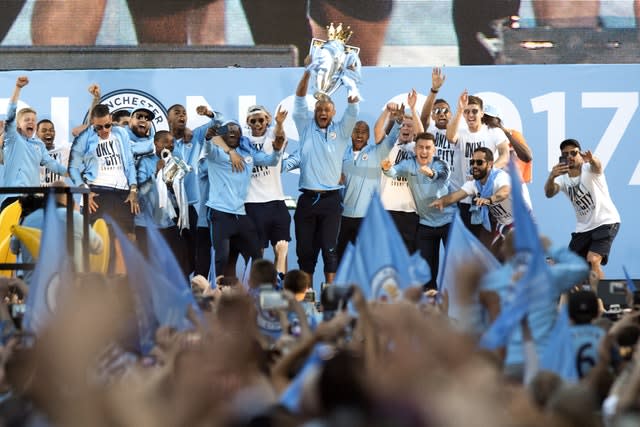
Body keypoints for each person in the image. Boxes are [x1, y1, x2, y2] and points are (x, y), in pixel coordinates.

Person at [292, 70, 359, 285]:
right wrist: (307, 72)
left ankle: (330, 295)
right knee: (305, 252)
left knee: (330, 251)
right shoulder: (305, 128)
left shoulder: (341, 132)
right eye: (319, 109)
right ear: (314, 112)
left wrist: (351, 89)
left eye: (327, 109)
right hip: (307, 200)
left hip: (331, 201)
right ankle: (307, 296)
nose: (322, 112)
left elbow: (352, 109)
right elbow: (300, 98)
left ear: (333, 112)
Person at [204, 120, 284, 276]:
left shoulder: (248, 153)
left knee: (257, 256)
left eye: (236, 130)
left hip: (240, 214)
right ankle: (213, 293)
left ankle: (253, 291)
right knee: (221, 258)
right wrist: (219, 144)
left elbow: (272, 161)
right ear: (222, 135)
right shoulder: (215, 153)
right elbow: (209, 142)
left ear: (241, 134)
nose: (232, 132)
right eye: (228, 130)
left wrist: (276, 150)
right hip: (220, 213)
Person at [68, 103, 139, 272]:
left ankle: (125, 286)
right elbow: (73, 168)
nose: (104, 130)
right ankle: (97, 286)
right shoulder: (83, 139)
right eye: (98, 127)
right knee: (97, 241)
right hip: (98, 193)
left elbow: (129, 162)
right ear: (92, 124)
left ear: (111, 120)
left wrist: (134, 188)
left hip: (123, 193)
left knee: (127, 239)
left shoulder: (121, 133)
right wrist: (85, 190)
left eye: (107, 125)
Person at [382, 132, 454, 290]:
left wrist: (431, 173)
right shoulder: (409, 164)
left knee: (454, 267)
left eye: (428, 148)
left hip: (448, 223)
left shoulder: (441, 164)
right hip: (426, 224)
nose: (424, 151)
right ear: (415, 149)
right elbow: (394, 172)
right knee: (427, 272)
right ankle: (430, 304)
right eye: (420, 147)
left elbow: (442, 175)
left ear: (434, 150)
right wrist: (386, 169)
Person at [544, 138, 621, 279]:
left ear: (581, 155)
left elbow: (597, 166)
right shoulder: (561, 178)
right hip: (583, 228)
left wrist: (592, 159)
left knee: (593, 259)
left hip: (605, 221)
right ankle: (580, 299)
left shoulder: (589, 169)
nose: (570, 157)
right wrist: (551, 177)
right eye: (565, 154)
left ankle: (602, 300)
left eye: (574, 153)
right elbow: (549, 193)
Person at [10, 182, 103, 285]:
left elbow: (13, 248)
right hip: (69, 289)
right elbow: (98, 247)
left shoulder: (27, 220)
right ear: (70, 201)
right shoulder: (75, 219)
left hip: (32, 289)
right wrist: (75, 214)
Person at [337, 118, 401, 261]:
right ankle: (341, 284)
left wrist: (398, 121)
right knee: (342, 258)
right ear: (351, 134)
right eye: (356, 132)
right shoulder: (341, 153)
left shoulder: (376, 152)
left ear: (368, 136)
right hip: (344, 217)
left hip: (367, 218)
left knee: (367, 259)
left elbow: (390, 140)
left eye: (363, 132)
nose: (359, 135)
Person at [446, 91, 510, 233]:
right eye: (466, 112)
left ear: (482, 113)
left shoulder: (494, 132)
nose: (470, 115)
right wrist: (459, 110)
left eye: (474, 111)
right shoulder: (462, 133)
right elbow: (450, 137)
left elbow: (505, 155)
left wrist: (487, 173)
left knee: (490, 247)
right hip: (467, 200)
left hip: (490, 198)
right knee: (470, 249)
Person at [0, 76, 67, 212]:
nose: (31, 122)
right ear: (18, 125)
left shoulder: (39, 144)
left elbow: (53, 165)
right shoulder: (12, 138)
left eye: (33, 120)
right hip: (12, 198)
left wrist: (72, 173)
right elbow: (11, 114)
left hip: (33, 200)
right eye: (27, 120)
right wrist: (17, 88)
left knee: (34, 233)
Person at [430, 147, 513, 253]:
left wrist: (490, 199)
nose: (474, 166)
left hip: (520, 222)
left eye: (479, 162)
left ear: (490, 164)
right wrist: (442, 202)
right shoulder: (475, 184)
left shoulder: (499, 177)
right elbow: (455, 196)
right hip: (502, 225)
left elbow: (505, 191)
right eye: (472, 162)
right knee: (490, 260)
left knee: (515, 257)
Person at [134, 130, 190, 277]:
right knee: (148, 268)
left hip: (168, 223)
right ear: (156, 143)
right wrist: (156, 172)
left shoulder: (175, 162)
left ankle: (181, 297)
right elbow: (140, 192)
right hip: (146, 224)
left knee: (181, 262)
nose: (169, 145)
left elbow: (175, 196)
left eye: (172, 142)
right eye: (165, 142)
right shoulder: (144, 162)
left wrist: (173, 187)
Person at [242, 105, 291, 268]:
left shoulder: (274, 134)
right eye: (253, 121)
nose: (257, 124)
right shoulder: (242, 142)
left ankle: (283, 287)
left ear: (267, 120)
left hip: (276, 201)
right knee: (257, 253)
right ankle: (257, 291)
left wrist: (279, 124)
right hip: (252, 203)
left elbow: (280, 138)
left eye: (261, 120)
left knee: (281, 250)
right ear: (247, 123)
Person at [375, 95, 422, 253]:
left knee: (408, 255)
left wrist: (413, 109)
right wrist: (389, 113)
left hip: (410, 210)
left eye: (410, 126)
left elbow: (422, 136)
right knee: (385, 255)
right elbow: (377, 133)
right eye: (403, 125)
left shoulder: (418, 149)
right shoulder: (389, 145)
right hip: (386, 208)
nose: (406, 128)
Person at [420, 67, 456, 175]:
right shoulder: (430, 130)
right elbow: (424, 116)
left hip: (454, 185)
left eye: (446, 111)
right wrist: (434, 90)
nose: (441, 114)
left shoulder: (459, 132)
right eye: (437, 111)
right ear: (432, 116)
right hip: (433, 182)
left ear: (451, 115)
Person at [37, 119, 71, 187]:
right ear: (37, 133)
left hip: (58, 195)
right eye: (44, 130)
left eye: (51, 130)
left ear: (54, 133)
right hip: (38, 195)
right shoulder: (32, 152)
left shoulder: (64, 149)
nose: (48, 132)